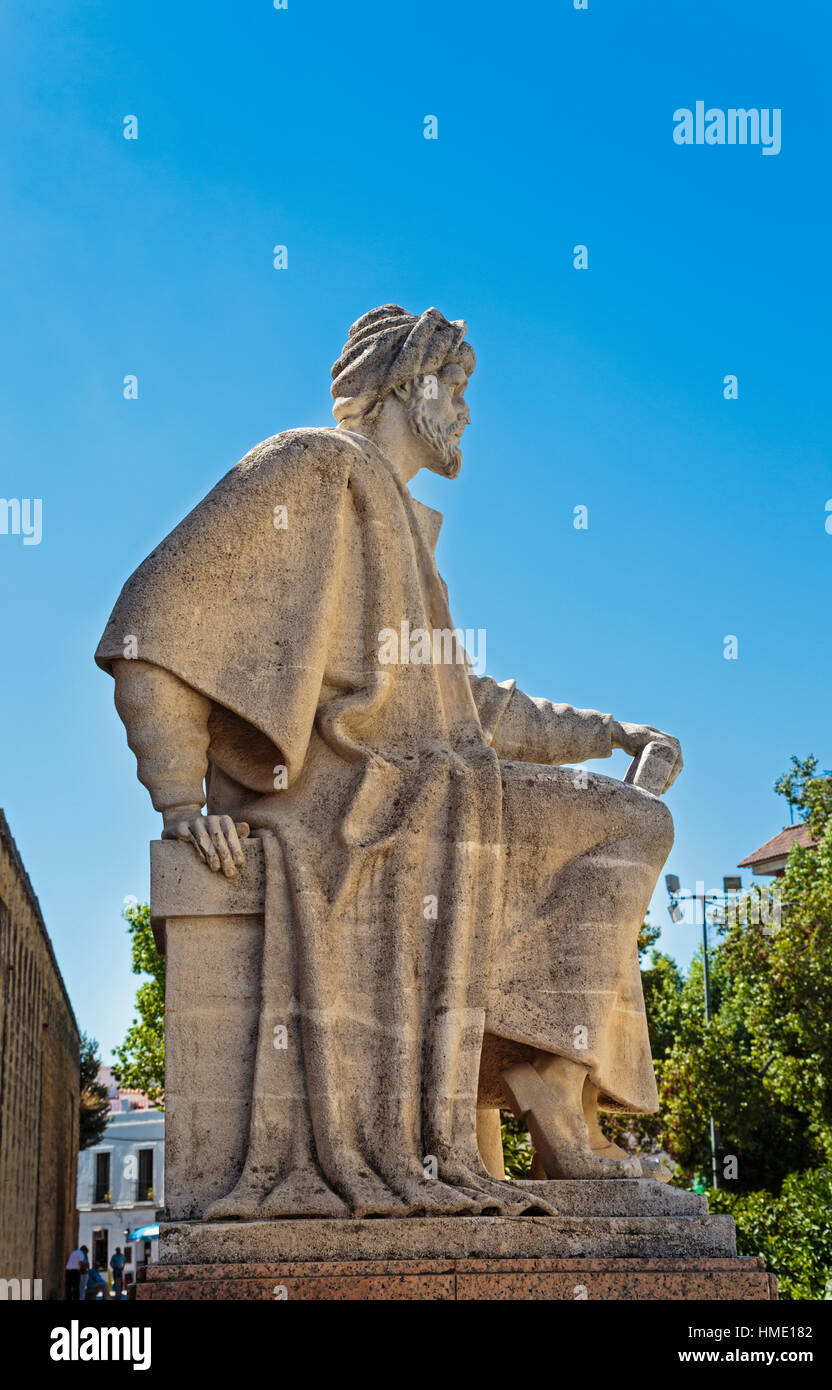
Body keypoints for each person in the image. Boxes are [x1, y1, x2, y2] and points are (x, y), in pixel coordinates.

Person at [97, 304, 681, 1216]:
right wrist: (178, 798)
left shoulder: (403, 525)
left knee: (622, 817)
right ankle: (548, 1097)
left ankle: (546, 1084)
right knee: (628, 822)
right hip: (353, 806)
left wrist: (610, 731)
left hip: (440, 792)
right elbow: (150, 619)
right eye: (460, 391)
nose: (468, 416)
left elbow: (469, 706)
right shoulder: (316, 467)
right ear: (415, 384)